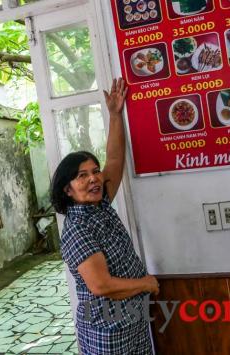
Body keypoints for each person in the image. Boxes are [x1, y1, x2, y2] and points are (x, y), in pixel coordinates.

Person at [51, 78, 160, 354]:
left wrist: (114, 115)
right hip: (107, 329)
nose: (93, 179)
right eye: (82, 176)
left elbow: (114, 160)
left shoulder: (99, 204)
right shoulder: (77, 229)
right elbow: (101, 285)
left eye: (94, 171)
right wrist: (145, 283)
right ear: (68, 189)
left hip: (131, 318)